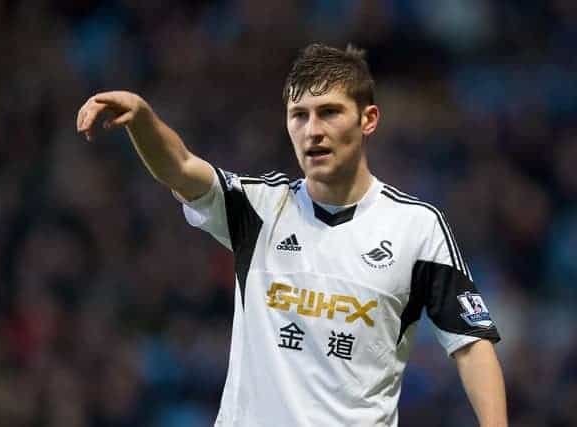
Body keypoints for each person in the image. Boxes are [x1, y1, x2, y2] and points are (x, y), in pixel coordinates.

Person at [77, 43, 507, 426]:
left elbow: (470, 343)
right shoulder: (260, 207)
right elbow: (183, 168)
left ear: (368, 119)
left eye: (329, 112)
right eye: (299, 115)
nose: (312, 130)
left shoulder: (417, 226)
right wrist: (143, 118)